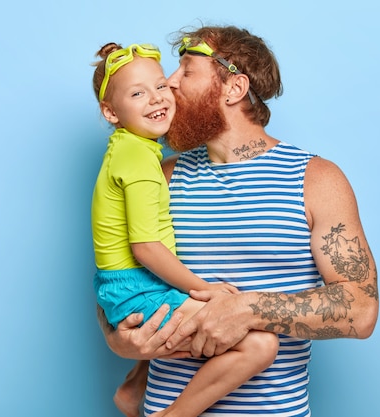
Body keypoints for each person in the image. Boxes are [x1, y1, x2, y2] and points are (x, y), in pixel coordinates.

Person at [99, 25, 380, 416]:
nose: (170, 82)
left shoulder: (316, 179)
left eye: (186, 71)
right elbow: (120, 274)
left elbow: (360, 310)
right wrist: (119, 341)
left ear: (234, 88)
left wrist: (247, 309)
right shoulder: (161, 175)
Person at [90, 42, 279, 417]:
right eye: (138, 93)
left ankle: (133, 387)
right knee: (260, 346)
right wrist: (204, 288)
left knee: (182, 312)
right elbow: (144, 247)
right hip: (134, 285)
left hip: (129, 284)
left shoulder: (132, 148)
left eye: (166, 82)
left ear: (236, 88)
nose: (168, 90)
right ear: (110, 111)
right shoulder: (145, 162)